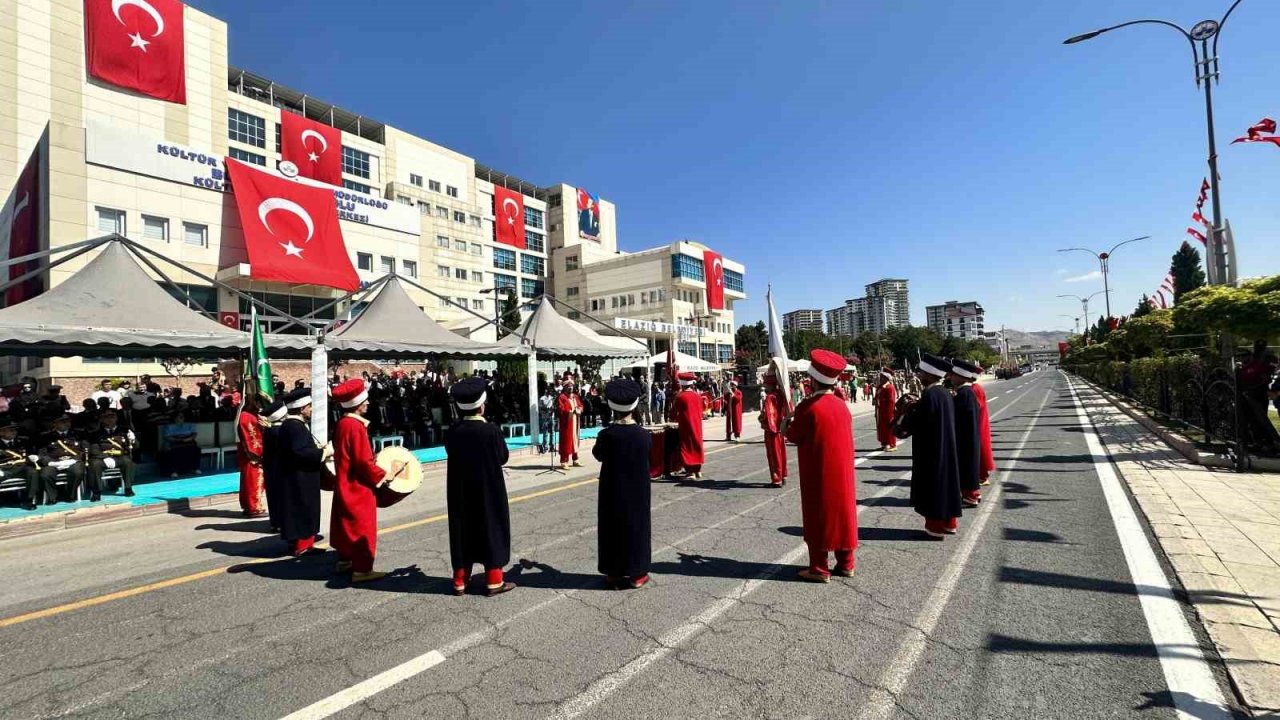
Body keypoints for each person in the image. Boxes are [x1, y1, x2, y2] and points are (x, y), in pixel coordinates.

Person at [786, 349, 858, 583]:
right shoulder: (841, 405)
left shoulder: (808, 407)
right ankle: (846, 564)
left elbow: (794, 436)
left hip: (818, 472)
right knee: (843, 514)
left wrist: (786, 423)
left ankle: (819, 568)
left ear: (813, 379)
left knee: (819, 515)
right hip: (843, 472)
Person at [445, 377, 515, 596]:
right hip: (488, 489)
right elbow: (503, 457)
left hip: (460, 491)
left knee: (462, 530)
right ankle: (494, 580)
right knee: (491, 526)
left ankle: (460, 580)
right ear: (482, 405)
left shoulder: (453, 432)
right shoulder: (491, 431)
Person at [330, 379, 391, 583]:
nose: (368, 404)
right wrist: (382, 474)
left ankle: (345, 560)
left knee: (346, 524)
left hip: (345, 482)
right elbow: (363, 461)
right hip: (357, 487)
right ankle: (362, 569)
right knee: (361, 527)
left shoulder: (343, 424)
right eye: (364, 401)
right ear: (356, 404)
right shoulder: (355, 426)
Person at [594, 379, 652, 590]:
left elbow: (598, 454)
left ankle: (613, 571)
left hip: (612, 489)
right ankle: (637, 572)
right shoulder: (643, 435)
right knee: (637, 527)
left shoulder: (606, 435)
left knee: (612, 527)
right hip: (637, 490)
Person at [900, 354, 962, 538]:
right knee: (948, 485)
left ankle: (935, 527)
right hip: (946, 447)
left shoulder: (930, 395)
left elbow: (918, 424)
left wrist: (907, 414)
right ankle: (950, 523)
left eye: (922, 372)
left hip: (931, 450)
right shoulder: (944, 393)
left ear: (930, 374)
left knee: (934, 488)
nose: (919, 375)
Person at [277, 388, 329, 556]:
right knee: (304, 507)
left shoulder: (290, 425)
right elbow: (301, 452)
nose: (312, 409)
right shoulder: (295, 426)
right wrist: (324, 452)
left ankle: (296, 542)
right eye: (310, 406)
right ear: (301, 408)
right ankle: (303, 545)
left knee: (295, 508)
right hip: (301, 478)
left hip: (295, 476)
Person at [949, 359, 983, 509]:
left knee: (966, 467)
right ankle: (972, 493)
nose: (951, 378)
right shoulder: (966, 392)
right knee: (968, 466)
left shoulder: (964, 394)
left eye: (954, 375)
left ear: (962, 377)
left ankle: (971, 496)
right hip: (968, 437)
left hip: (965, 439)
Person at [38, 414, 93, 501]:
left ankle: (70, 495)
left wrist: (74, 460)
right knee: (45, 474)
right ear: (55, 424)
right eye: (62, 422)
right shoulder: (46, 437)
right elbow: (42, 453)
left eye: (67, 421)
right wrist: (51, 463)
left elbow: (86, 450)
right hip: (55, 462)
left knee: (77, 472)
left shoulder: (79, 434)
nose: (66, 424)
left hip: (73, 461)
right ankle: (53, 497)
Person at [88, 408, 136, 496]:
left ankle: (128, 488)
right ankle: (96, 492)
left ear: (116, 418)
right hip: (103, 457)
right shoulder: (96, 433)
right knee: (94, 464)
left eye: (112, 416)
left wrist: (133, 440)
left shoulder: (124, 431)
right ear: (101, 419)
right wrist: (105, 457)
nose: (109, 419)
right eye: (106, 417)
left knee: (128, 462)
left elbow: (135, 447)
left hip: (120, 456)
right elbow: (94, 449)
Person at [0, 414, 42, 510]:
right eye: (10, 430)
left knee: (33, 472)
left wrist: (33, 457)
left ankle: (29, 500)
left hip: (20, 468)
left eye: (15, 429)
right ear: (1, 432)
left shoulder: (23, 441)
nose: (14, 432)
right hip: (3, 469)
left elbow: (30, 454)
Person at [670, 372, 705, 479]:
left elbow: (673, 413)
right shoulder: (697, 396)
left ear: (682, 384)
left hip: (686, 425)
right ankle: (697, 470)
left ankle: (690, 472)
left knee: (687, 447)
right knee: (696, 444)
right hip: (697, 425)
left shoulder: (680, 396)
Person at [260, 399, 287, 533]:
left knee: (273, 496)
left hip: (270, 467)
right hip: (279, 467)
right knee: (281, 496)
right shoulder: (279, 431)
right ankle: (281, 522)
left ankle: (275, 522)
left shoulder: (269, 430)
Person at [236, 395, 267, 518]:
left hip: (250, 453)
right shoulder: (246, 416)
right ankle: (254, 507)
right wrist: (259, 453)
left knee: (249, 480)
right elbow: (251, 438)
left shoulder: (251, 415)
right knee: (253, 480)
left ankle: (248, 506)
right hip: (252, 455)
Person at [760, 373, 789, 488]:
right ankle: (784, 475)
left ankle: (776, 479)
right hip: (781, 428)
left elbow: (769, 415)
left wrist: (761, 418)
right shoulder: (781, 395)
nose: (765, 386)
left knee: (773, 455)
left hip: (772, 430)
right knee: (782, 453)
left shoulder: (770, 397)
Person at [971, 364, 996, 486]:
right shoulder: (974, 388)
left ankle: (982, 476)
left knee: (980, 449)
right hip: (979, 421)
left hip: (978, 423)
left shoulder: (975, 389)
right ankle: (981, 475)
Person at [556, 381, 584, 470]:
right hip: (567, 423)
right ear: (564, 387)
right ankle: (564, 461)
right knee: (566, 441)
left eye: (571, 386)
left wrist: (579, 409)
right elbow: (560, 409)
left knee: (575, 440)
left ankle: (575, 459)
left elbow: (581, 405)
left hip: (575, 421)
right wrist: (570, 412)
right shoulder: (561, 397)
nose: (570, 388)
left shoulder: (575, 396)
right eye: (568, 386)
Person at [875, 368, 898, 452]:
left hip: (888, 411)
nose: (880, 379)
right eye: (880, 377)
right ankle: (884, 443)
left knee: (889, 427)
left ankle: (892, 444)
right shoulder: (880, 387)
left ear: (887, 378)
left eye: (882, 377)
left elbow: (891, 401)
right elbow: (877, 397)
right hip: (880, 410)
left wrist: (888, 412)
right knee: (881, 427)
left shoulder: (890, 387)